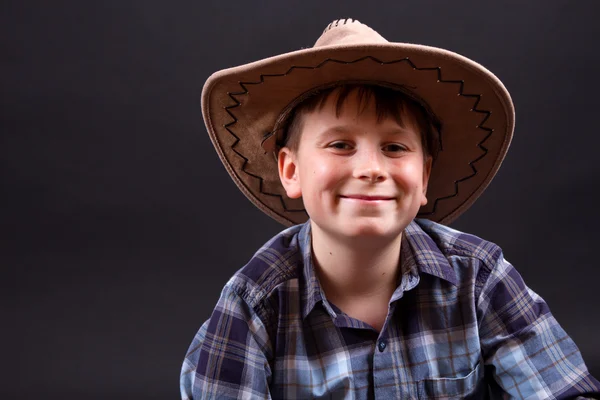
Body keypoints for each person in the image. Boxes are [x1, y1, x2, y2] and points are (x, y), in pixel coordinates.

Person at [180, 18, 600, 399]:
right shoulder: (253, 304)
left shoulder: (478, 276)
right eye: (341, 144)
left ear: (425, 178)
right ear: (291, 170)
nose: (370, 169)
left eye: (395, 147)